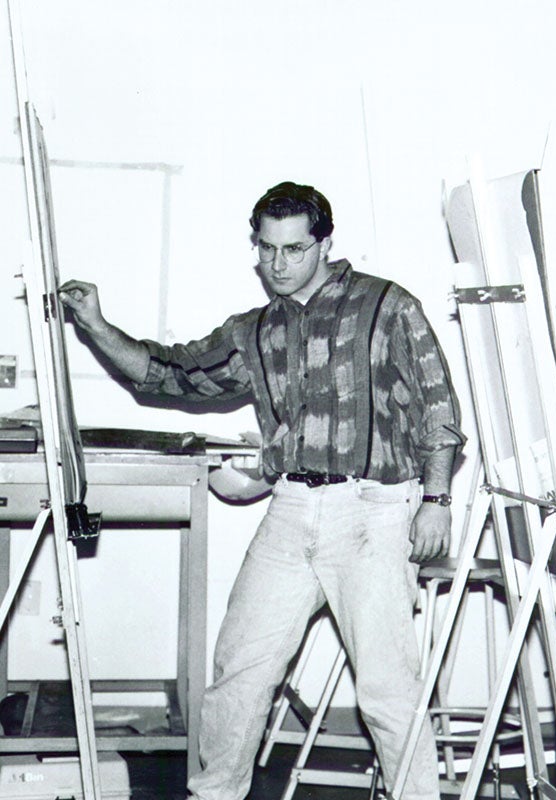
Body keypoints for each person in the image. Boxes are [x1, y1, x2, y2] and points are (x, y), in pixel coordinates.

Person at [58, 181, 464, 800]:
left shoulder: (387, 307)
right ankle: (214, 793)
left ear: (324, 243)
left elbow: (439, 407)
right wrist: (95, 324)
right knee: (238, 674)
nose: (278, 264)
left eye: (295, 249)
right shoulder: (255, 331)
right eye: (267, 249)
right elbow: (169, 372)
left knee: (388, 692)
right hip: (292, 508)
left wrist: (436, 500)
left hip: (375, 512)